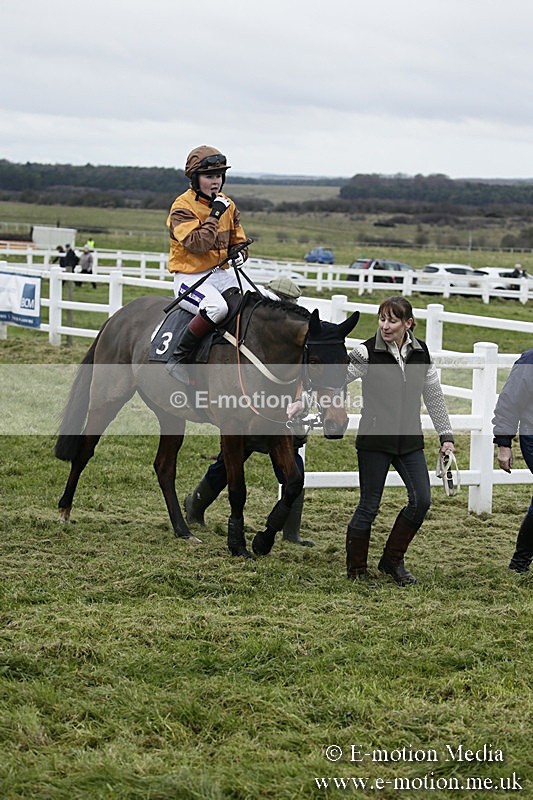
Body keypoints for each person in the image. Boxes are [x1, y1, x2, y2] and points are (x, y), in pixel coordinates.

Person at [185, 277, 313, 546]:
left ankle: (291, 532)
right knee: (229, 462)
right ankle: (195, 505)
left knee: (293, 472)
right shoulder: (250, 332)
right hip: (248, 414)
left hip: (279, 417)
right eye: (282, 303)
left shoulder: (291, 340)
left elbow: (302, 379)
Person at [344, 296, 455, 585]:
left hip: (409, 442)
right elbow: (335, 378)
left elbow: (434, 397)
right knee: (369, 506)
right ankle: (356, 571)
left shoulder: (422, 353)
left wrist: (446, 437)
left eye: (392, 320)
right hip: (374, 441)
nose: (385, 325)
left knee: (422, 500)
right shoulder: (365, 352)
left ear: (408, 323)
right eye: (382, 319)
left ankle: (391, 561)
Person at [165, 145, 250, 383]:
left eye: (219, 176)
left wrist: (239, 253)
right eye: (209, 176)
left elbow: (239, 241)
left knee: (259, 300)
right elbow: (198, 245)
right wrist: (214, 214)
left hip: (220, 274)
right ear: (195, 178)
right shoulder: (181, 208)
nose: (215, 182)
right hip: (189, 278)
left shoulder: (228, 205)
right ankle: (179, 359)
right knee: (217, 309)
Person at [492, 348, 533, 573]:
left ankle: (519, 563)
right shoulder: (529, 361)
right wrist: (504, 443)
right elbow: (509, 403)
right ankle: (520, 562)